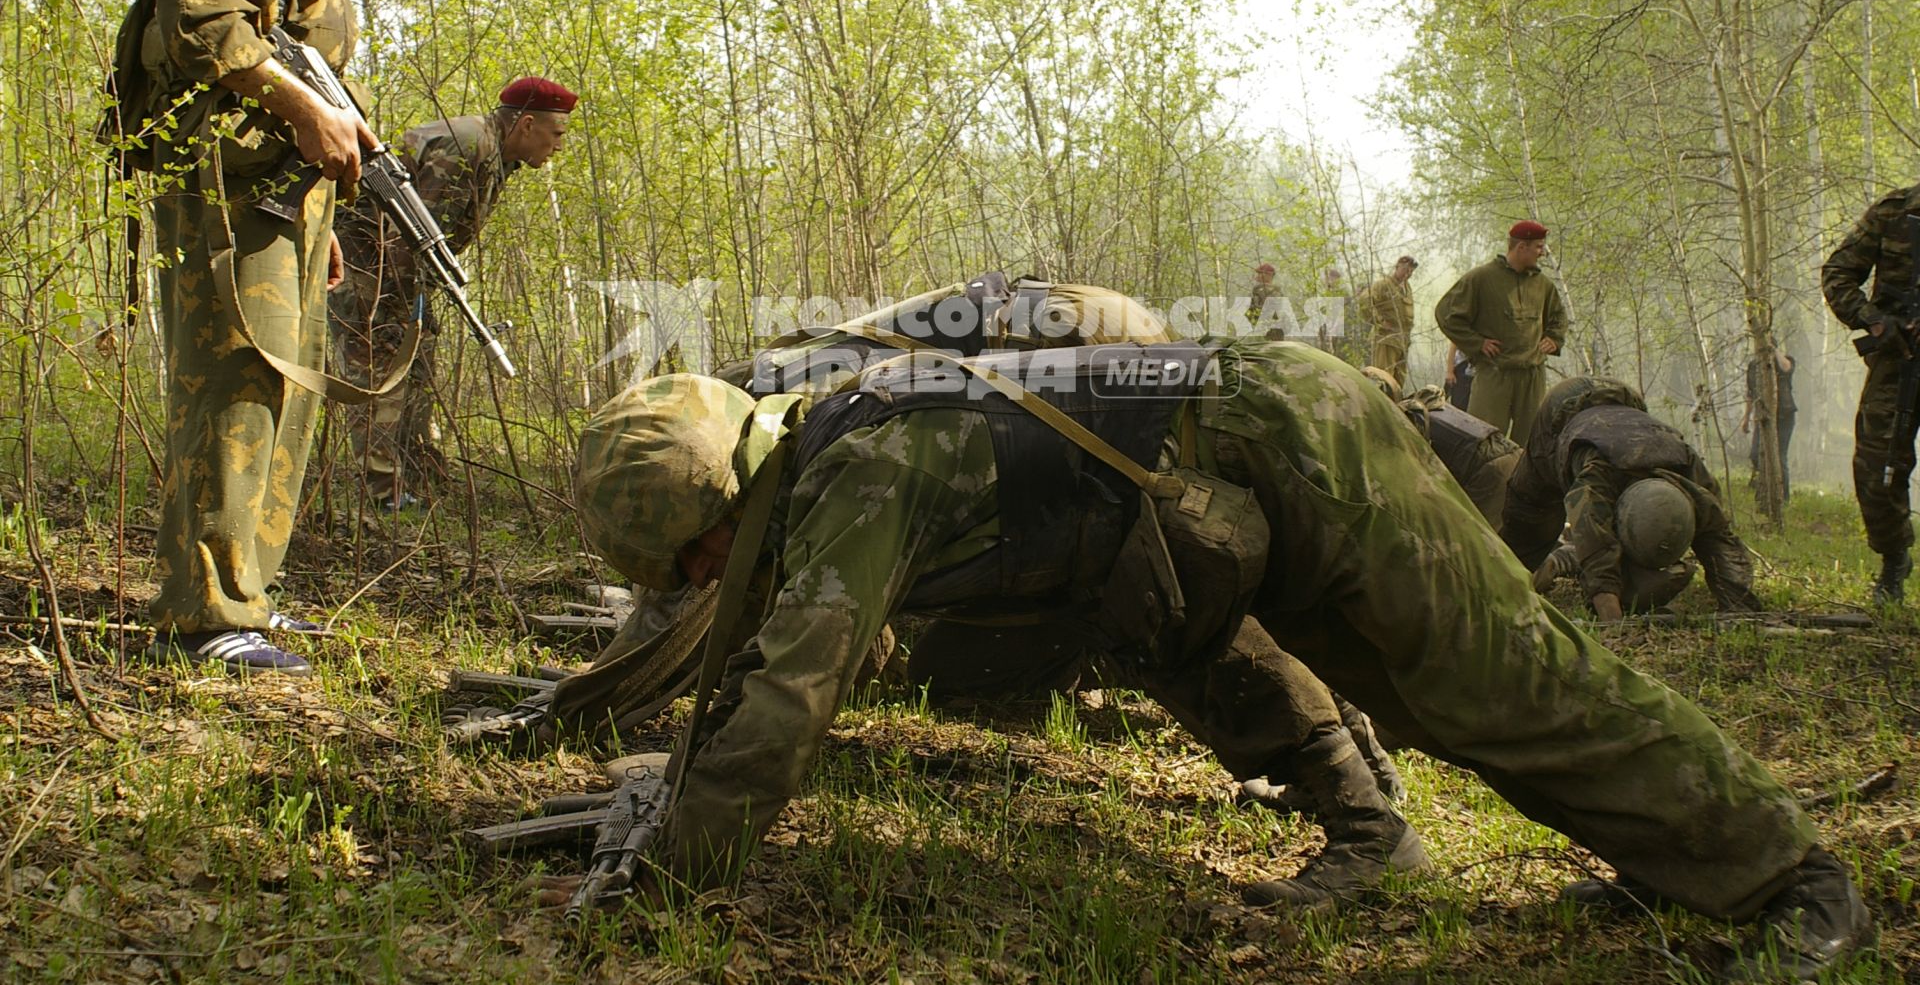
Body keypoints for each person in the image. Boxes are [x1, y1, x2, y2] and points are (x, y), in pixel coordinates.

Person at [567, 340, 1871, 977]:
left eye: (689, 563)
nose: (694, 589)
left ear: (715, 504)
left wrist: (676, 874)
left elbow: (795, 683)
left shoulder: (857, 467)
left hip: (1288, 435)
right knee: (1393, 695)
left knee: (1502, 679)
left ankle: (1788, 876)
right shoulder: (828, 450)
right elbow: (762, 663)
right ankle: (1627, 864)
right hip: (1201, 510)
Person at [139, 0, 371, 675]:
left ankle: (247, 594)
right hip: (227, 181)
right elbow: (199, 19)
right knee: (235, 380)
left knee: (283, 387)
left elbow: (298, 39)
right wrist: (308, 119)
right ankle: (209, 613)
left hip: (275, 186)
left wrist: (320, 196)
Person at [327, 77, 576, 507]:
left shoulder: (490, 151)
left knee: (417, 372)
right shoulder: (467, 147)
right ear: (528, 124)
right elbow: (408, 237)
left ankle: (421, 477)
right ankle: (386, 493)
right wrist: (399, 308)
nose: (558, 147)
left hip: (397, 279)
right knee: (382, 377)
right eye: (557, 135)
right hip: (371, 276)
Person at [1502, 377, 1764, 622]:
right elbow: (1597, 553)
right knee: (1528, 523)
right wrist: (1613, 620)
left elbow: (1719, 537)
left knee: (1642, 589)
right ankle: (1525, 570)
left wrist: (1739, 606)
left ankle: (1563, 558)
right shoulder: (1596, 480)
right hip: (1560, 413)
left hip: (1625, 400)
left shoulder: (1688, 472)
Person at [1821, 194, 1919, 604]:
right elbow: (1838, 273)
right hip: (1899, 361)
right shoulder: (1893, 212)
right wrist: (1875, 321)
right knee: (1876, 464)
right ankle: (1894, 562)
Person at [1434, 220, 1568, 445]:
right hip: (1494, 373)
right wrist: (1477, 344)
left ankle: (1525, 481)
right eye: (1538, 247)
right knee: (1482, 440)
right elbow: (1446, 313)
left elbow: (1558, 317)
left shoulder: (1543, 285)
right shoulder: (1481, 278)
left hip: (1532, 374)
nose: (1542, 253)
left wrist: (1554, 338)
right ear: (1521, 247)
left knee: (1533, 442)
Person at [1360, 368, 1518, 525]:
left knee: (1472, 543)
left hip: (1489, 471)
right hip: (1512, 455)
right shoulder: (1427, 403)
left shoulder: (1405, 422)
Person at [1740, 346, 1796, 501]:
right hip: (1763, 416)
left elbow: (1786, 368)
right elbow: (1750, 393)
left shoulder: (1785, 361)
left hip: (1785, 415)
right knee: (1755, 454)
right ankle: (1763, 490)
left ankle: (1783, 497)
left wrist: (1774, 351)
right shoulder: (1753, 367)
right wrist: (1746, 418)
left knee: (1780, 457)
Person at [1357, 255, 1418, 386]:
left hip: (1403, 340)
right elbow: (1364, 301)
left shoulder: (1407, 287)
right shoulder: (1383, 284)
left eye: (1410, 271)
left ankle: (1396, 404)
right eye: (1405, 269)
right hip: (1386, 339)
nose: (1407, 274)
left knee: (1399, 378)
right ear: (1397, 267)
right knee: (1383, 377)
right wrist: (1379, 321)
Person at [1442, 345, 1475, 410]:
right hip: (1462, 368)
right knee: (1459, 406)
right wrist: (1450, 371)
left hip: (1481, 371)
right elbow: (1453, 344)